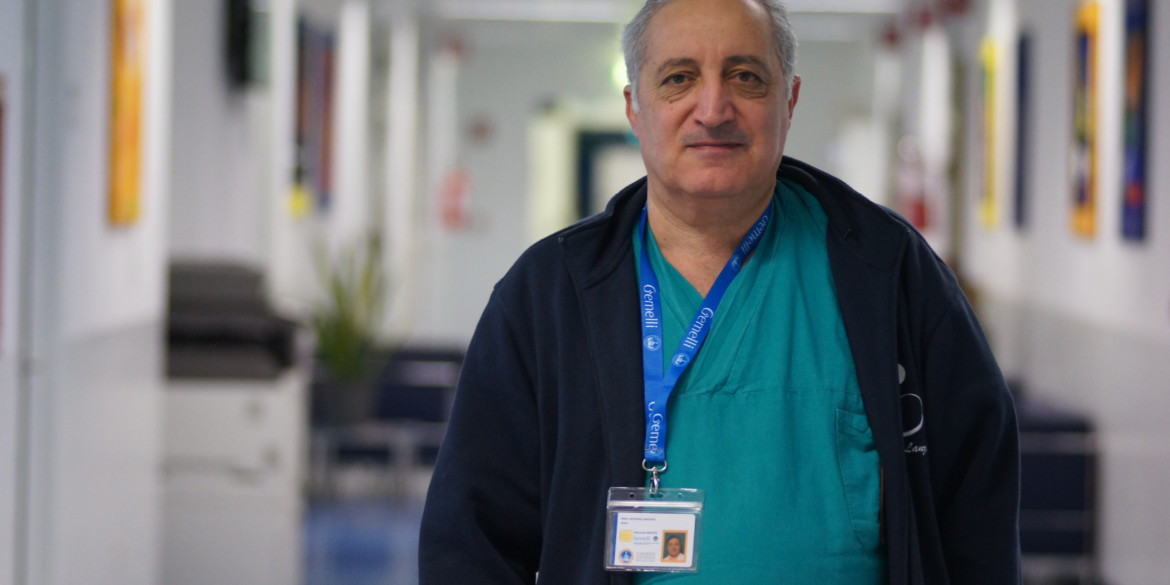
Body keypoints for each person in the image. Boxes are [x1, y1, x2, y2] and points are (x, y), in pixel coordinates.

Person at [419, 0, 1020, 583]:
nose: (713, 109)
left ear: (789, 101)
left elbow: (978, 515)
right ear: (634, 108)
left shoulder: (889, 271)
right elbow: (470, 538)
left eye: (746, 77)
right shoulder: (550, 295)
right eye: (679, 78)